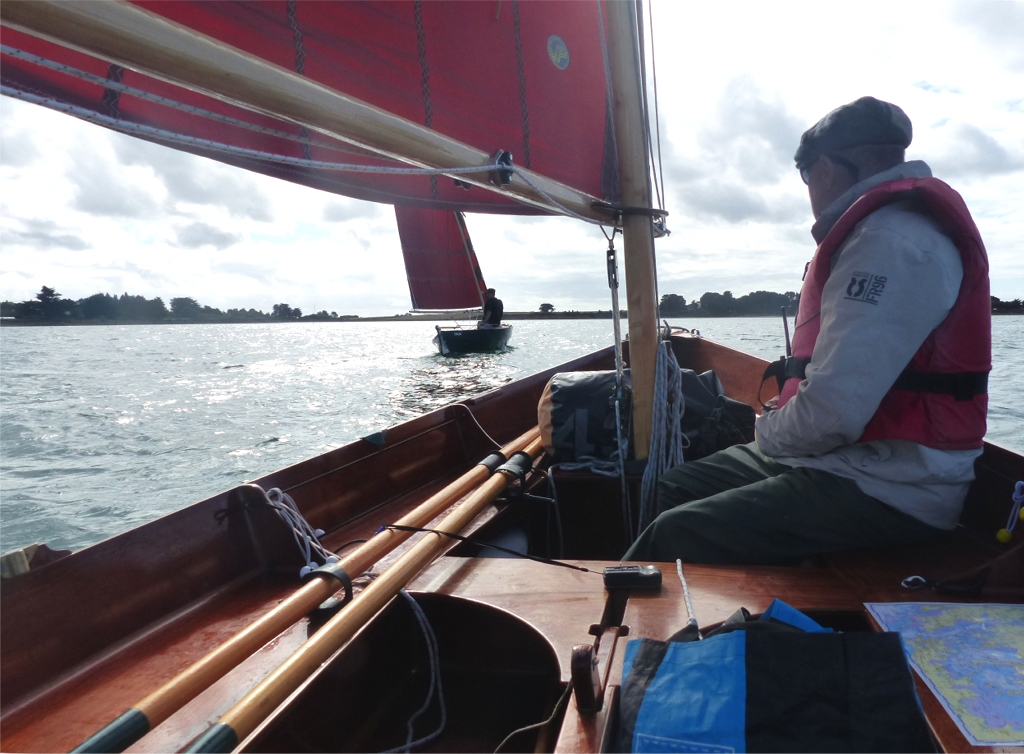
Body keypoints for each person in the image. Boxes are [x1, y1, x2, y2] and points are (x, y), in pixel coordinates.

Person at [625, 96, 991, 565]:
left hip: (893, 487)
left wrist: (767, 430)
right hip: (841, 459)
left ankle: (619, 634)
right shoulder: (876, 234)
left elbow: (833, 416)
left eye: (804, 176)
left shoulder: (891, 244)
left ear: (825, 168)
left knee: (670, 536)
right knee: (670, 487)